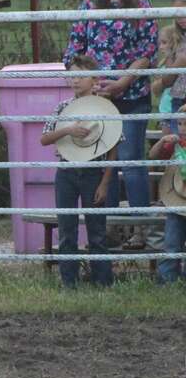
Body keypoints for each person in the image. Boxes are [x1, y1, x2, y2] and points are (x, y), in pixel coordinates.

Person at [63, 0, 158, 216]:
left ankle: (140, 227)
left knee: (130, 160)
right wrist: (88, 82)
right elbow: (73, 51)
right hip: (98, 97)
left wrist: (122, 82)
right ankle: (110, 227)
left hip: (132, 95)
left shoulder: (142, 6)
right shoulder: (88, 6)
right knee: (105, 162)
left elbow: (147, 52)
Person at [40, 55, 116, 288]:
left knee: (97, 230)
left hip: (93, 172)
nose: (75, 81)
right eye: (72, 75)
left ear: (94, 79)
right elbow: (44, 138)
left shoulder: (105, 109)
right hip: (66, 172)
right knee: (67, 228)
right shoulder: (62, 108)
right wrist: (67, 130)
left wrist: (104, 183)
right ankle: (69, 283)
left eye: (81, 76)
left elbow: (113, 148)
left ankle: (102, 281)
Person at [150, 129, 186, 284]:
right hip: (177, 198)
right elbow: (153, 156)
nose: (182, 127)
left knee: (172, 242)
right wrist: (162, 141)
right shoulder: (175, 143)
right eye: (179, 123)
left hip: (177, 196)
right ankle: (167, 280)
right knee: (171, 243)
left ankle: (169, 280)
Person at [152, 0, 186, 136]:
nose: (180, 18)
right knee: (178, 144)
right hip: (178, 98)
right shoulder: (177, 37)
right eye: (176, 14)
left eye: (183, 12)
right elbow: (168, 77)